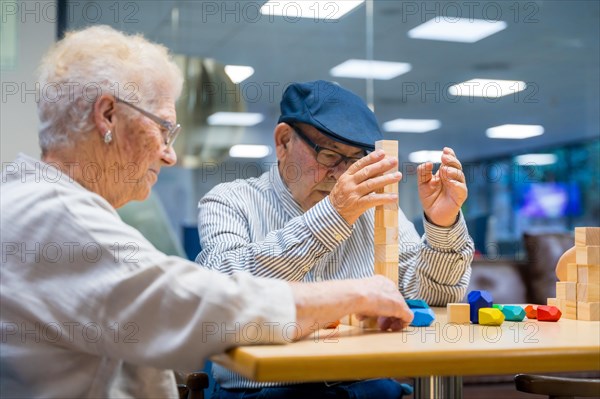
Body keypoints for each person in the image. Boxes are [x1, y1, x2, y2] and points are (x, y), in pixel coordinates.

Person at [0, 28, 414, 398]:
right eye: (163, 129)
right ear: (107, 115)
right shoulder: (53, 215)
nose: (169, 154)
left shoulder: (40, 203)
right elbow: (203, 306)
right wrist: (358, 293)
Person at [196, 80, 474, 398]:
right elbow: (223, 292)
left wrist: (442, 224)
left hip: (364, 386)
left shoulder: (377, 208)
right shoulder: (230, 200)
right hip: (268, 392)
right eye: (329, 155)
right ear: (284, 141)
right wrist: (334, 215)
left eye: (355, 160)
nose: (342, 175)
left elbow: (430, 296)